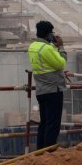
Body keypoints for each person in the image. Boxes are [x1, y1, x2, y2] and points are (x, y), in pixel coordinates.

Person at [27, 20, 68, 150]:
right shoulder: (47, 48)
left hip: (41, 90)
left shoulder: (33, 46)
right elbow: (61, 63)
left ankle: (40, 151)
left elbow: (48, 64)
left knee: (44, 123)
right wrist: (60, 47)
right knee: (53, 124)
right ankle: (49, 151)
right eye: (52, 33)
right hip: (53, 90)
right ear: (48, 34)